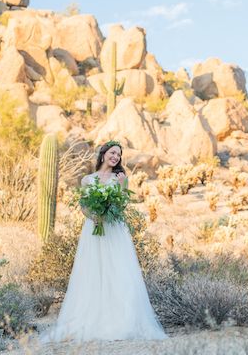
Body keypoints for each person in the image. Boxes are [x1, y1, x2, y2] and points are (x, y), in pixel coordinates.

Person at [41, 140, 167, 343]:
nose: (115, 156)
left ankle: (121, 321)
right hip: (93, 229)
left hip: (115, 229)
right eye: (112, 152)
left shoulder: (120, 178)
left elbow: (123, 203)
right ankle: (91, 318)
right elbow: (83, 206)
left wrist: (121, 185)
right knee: (92, 271)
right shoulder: (87, 180)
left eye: (118, 154)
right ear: (104, 153)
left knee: (118, 270)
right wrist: (95, 216)